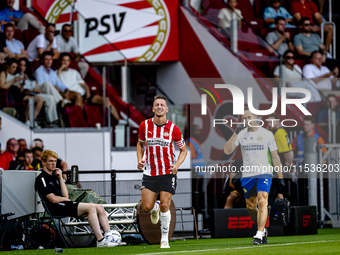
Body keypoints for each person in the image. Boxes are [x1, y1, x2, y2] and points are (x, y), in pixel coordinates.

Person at [224, 108, 284, 245]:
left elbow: (275, 156)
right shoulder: (241, 134)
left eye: (249, 117)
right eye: (244, 118)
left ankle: (258, 235)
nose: (247, 121)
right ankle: (262, 230)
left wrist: (280, 176)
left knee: (262, 201)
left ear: (256, 117)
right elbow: (227, 151)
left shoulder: (267, 134)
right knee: (251, 207)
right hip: (247, 175)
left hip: (264, 172)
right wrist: (235, 133)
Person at [35, 149, 116, 247]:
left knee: (100, 207)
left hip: (64, 204)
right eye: (50, 161)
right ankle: (100, 240)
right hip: (56, 208)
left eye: (55, 161)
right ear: (43, 162)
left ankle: (110, 237)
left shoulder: (55, 177)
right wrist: (65, 200)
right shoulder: (41, 178)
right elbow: (53, 199)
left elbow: (66, 196)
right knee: (91, 208)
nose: (53, 163)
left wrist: (61, 178)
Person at [137, 95, 187, 248]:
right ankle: (154, 208)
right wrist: (139, 159)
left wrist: (177, 165)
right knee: (146, 207)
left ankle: (164, 239)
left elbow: (183, 150)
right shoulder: (144, 126)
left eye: (162, 105)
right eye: (156, 104)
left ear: (167, 109)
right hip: (150, 172)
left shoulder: (174, 129)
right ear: (153, 108)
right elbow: (140, 144)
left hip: (167, 172)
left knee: (166, 204)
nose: (159, 107)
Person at [58, 52, 120, 121]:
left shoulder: (74, 72)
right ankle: (79, 122)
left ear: (70, 62)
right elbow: (56, 82)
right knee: (78, 96)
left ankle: (119, 122)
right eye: (64, 60)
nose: (65, 62)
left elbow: (83, 84)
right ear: (60, 61)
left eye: (67, 60)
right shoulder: (56, 73)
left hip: (83, 94)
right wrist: (60, 70)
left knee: (106, 100)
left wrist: (87, 91)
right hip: (73, 95)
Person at [0, 58, 44, 127]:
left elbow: (20, 90)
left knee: (40, 99)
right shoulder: (4, 73)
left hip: (19, 94)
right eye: (13, 67)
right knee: (32, 99)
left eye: (16, 67)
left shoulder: (17, 75)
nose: (15, 69)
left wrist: (23, 82)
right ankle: (27, 121)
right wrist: (13, 80)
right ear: (8, 66)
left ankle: (32, 120)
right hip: (10, 96)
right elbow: (2, 86)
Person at [19, 57, 59, 125]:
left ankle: (51, 121)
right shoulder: (17, 76)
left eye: (24, 65)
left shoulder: (30, 76)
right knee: (40, 98)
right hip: (26, 94)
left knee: (50, 98)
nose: (22, 67)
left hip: (34, 93)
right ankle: (31, 121)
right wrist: (26, 85)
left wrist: (38, 89)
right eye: (21, 65)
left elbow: (36, 85)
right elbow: (20, 91)